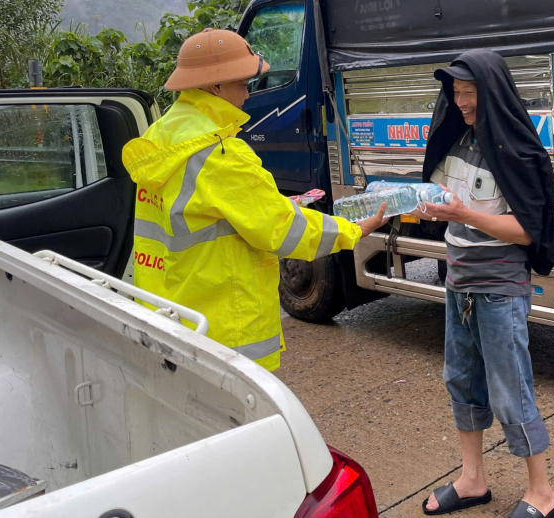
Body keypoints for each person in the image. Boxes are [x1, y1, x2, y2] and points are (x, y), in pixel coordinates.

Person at [122, 28, 386, 371]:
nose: (249, 93)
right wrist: (353, 231)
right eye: (243, 83)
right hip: (222, 329)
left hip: (174, 312)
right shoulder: (219, 152)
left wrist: (269, 205)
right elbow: (280, 230)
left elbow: (197, 216)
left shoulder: (162, 137)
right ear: (214, 86)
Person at [416, 49, 554, 517]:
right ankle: (473, 479)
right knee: (461, 381)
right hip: (458, 284)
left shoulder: (518, 152)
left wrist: (462, 213)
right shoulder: (456, 140)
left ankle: (542, 493)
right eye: (455, 93)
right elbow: (445, 197)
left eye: (469, 92)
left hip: (499, 289)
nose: (460, 102)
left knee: (510, 389)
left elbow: (527, 231)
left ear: (491, 92)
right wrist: (428, 206)